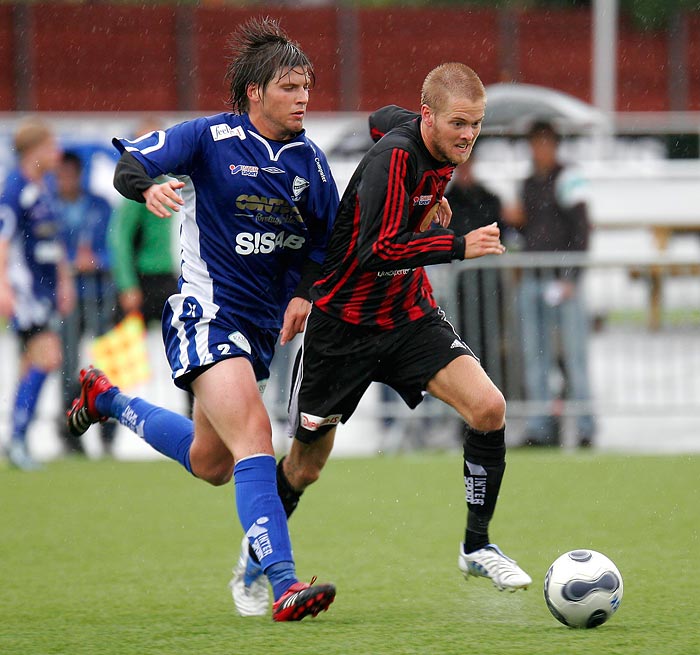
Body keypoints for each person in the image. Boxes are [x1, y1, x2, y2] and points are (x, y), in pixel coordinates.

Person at [66, 17, 338, 621]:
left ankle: (105, 399)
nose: (303, 99)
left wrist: (304, 293)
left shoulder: (312, 165)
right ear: (254, 93)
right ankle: (285, 582)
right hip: (207, 317)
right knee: (256, 441)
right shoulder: (209, 137)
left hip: (260, 331)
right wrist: (144, 190)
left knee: (211, 463)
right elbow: (129, 164)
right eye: (290, 88)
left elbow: (329, 244)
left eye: (307, 87)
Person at [256, 63, 532, 604]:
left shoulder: (424, 136)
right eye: (459, 123)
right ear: (429, 116)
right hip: (343, 328)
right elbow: (374, 252)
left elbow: (380, 116)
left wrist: (431, 202)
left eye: (476, 124)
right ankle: (257, 555)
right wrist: (456, 244)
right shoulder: (392, 160)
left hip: (407, 318)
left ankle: (477, 546)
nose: (468, 136)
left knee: (489, 408)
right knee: (305, 466)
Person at [504, 119, 595, 448]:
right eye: (535, 143)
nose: (539, 149)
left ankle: (585, 426)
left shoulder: (569, 177)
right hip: (532, 277)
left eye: (545, 143)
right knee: (534, 356)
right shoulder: (527, 184)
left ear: (555, 145)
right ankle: (539, 426)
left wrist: (572, 277)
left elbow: (582, 229)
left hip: (561, 278)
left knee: (574, 356)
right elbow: (521, 234)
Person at [0, 118, 75, 470]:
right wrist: (2, 286)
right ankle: (17, 439)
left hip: (44, 289)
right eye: (52, 145)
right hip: (25, 290)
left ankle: (17, 439)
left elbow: (52, 243)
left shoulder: (42, 188)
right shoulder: (15, 189)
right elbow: (3, 241)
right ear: (36, 150)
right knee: (48, 358)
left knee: (33, 362)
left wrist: (64, 282)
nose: (57, 152)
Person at [56, 150, 117, 456]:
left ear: (79, 174)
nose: (66, 179)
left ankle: (108, 432)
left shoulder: (100, 205)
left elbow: (114, 246)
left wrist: (96, 260)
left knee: (105, 362)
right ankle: (70, 432)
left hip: (100, 292)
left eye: (71, 173)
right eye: (61, 174)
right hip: (66, 298)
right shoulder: (48, 207)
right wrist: (69, 262)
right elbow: (40, 251)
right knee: (67, 366)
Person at [108, 118, 178, 326]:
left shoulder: (168, 183)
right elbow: (120, 238)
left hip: (167, 275)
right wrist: (127, 284)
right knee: (127, 351)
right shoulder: (137, 190)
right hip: (144, 277)